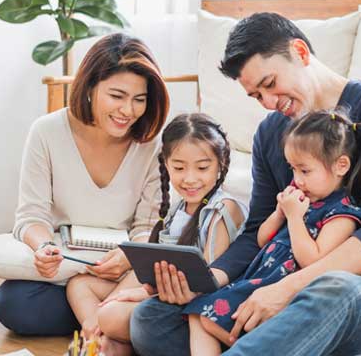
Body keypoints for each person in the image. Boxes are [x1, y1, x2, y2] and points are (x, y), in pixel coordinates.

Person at [130, 12, 361, 356]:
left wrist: (287, 289)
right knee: (152, 318)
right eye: (256, 95)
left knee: (337, 291)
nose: (269, 103)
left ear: (300, 52)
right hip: (272, 286)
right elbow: (257, 229)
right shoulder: (271, 133)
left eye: (269, 84)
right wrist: (208, 282)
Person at [0, 33, 170, 336]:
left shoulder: (152, 145)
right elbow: (31, 216)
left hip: (121, 272)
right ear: (89, 88)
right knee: (12, 303)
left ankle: (101, 318)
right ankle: (113, 320)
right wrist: (44, 247)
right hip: (66, 267)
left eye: (139, 100)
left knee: (157, 283)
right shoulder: (46, 132)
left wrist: (129, 256)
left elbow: (149, 226)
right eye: (117, 96)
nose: (128, 110)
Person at [182, 109, 361, 355]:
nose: (297, 179)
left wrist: (294, 218)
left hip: (288, 293)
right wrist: (279, 213)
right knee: (199, 315)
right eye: (293, 170)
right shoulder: (300, 201)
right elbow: (262, 240)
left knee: (210, 319)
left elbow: (312, 259)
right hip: (257, 282)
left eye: (305, 171)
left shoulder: (342, 214)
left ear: (341, 166)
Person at [74, 113, 247, 355]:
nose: (190, 178)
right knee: (80, 286)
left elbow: (207, 282)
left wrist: (142, 294)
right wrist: (138, 291)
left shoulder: (223, 208)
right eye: (178, 167)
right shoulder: (178, 207)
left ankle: (106, 338)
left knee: (111, 315)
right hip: (163, 292)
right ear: (166, 164)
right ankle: (103, 339)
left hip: (194, 303)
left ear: (221, 164)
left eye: (202, 167)